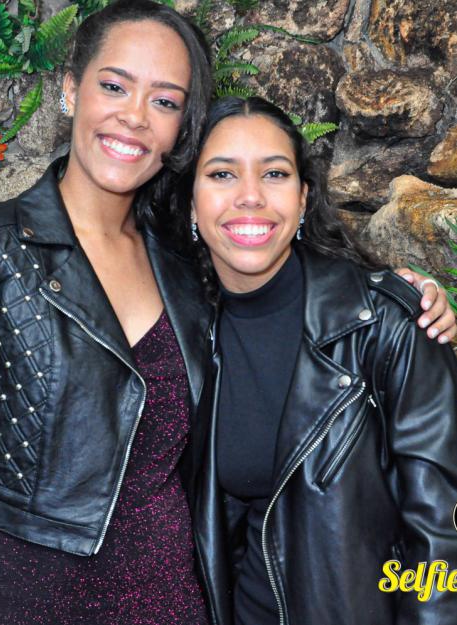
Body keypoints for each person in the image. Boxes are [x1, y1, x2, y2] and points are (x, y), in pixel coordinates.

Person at [0, 2, 452, 623]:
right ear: (71, 89)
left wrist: (403, 299)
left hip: (165, 598)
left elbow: (434, 526)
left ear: (179, 130)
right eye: (114, 86)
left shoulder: (183, 269)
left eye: (164, 101)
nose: (135, 115)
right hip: (11, 599)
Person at [185, 96, 457, 625]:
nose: (250, 196)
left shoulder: (385, 323)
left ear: (304, 198)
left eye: (275, 174)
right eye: (222, 174)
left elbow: (442, 536)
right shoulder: (181, 330)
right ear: (191, 203)